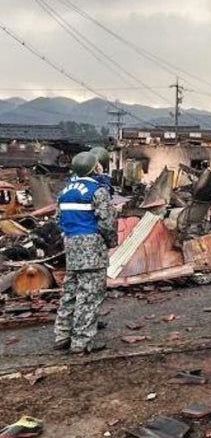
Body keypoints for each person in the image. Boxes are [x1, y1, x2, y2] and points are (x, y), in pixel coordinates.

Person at [54, 151, 117, 354]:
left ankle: (62, 335)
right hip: (92, 249)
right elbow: (107, 223)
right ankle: (82, 341)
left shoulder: (65, 191)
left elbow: (58, 219)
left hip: (71, 247)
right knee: (89, 296)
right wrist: (110, 242)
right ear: (94, 167)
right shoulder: (98, 191)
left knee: (70, 292)